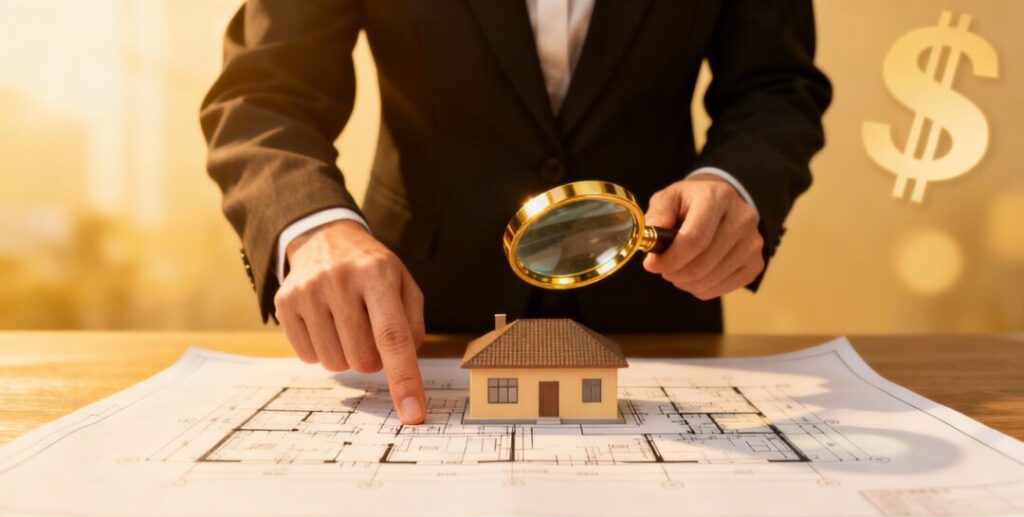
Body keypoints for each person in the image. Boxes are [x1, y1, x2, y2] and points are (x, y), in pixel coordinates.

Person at [201, 0, 832, 425]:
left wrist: (737, 183)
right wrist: (313, 225)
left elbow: (776, 85)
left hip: (659, 306)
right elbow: (263, 94)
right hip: (417, 323)